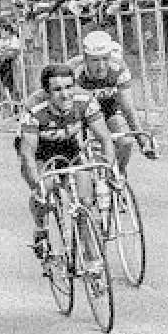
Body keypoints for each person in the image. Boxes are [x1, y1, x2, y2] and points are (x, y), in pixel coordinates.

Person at [15, 63, 116, 260]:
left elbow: (105, 138)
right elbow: (28, 155)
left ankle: (91, 260)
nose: (65, 95)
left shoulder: (85, 100)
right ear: (46, 92)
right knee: (45, 189)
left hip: (69, 146)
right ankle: (41, 228)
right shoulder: (35, 108)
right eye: (57, 90)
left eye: (69, 87)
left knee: (85, 201)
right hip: (39, 151)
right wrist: (40, 186)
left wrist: (108, 167)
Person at [68, 31, 154, 176]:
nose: (101, 66)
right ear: (85, 59)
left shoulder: (118, 68)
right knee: (77, 151)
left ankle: (117, 174)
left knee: (125, 142)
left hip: (108, 109)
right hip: (79, 114)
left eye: (105, 59)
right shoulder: (73, 71)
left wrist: (142, 140)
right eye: (95, 60)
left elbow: (128, 108)